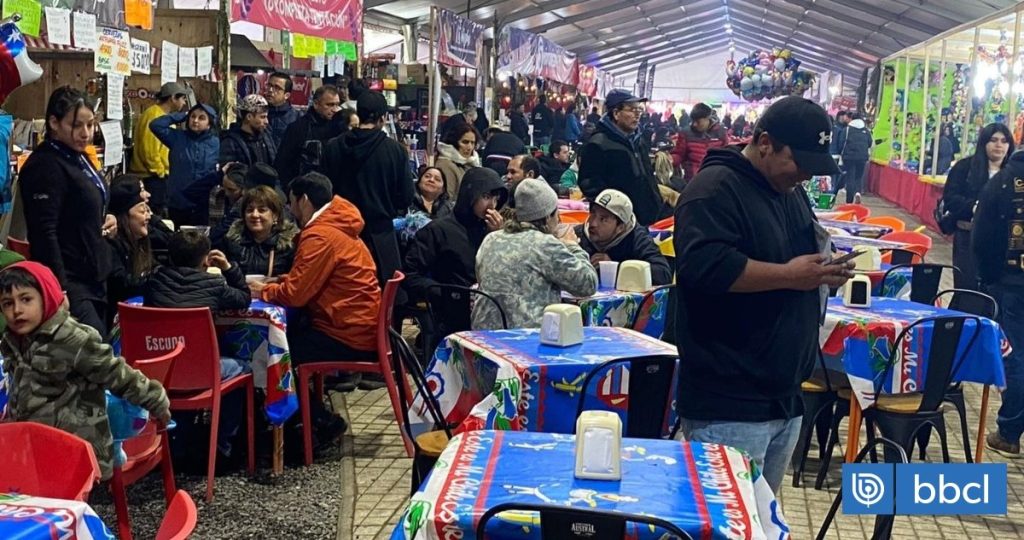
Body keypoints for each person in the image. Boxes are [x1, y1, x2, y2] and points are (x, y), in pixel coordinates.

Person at [672, 96, 853, 494]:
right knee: (729, 522)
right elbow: (706, 268)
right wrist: (790, 276)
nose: (804, 175)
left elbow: (798, 253)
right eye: (799, 163)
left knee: (763, 520)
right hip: (729, 400)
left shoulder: (788, 190)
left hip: (785, 396)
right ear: (766, 142)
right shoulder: (713, 191)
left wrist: (825, 272)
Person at [0, 261, 170, 480]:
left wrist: (156, 400)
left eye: (26, 299)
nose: (17, 310)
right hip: (34, 446)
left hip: (73, 448)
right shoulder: (13, 341)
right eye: (7, 303)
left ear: (46, 297)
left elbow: (117, 373)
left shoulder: (72, 338)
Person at [250, 173, 381, 402]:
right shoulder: (337, 224)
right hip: (359, 325)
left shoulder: (321, 235)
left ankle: (312, 423)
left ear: (304, 200)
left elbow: (295, 296)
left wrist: (260, 290)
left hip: (346, 334)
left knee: (271, 352)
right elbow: (308, 280)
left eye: (291, 202)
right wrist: (281, 280)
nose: (291, 209)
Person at [20, 86, 113, 336]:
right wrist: (58, 290)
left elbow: (83, 204)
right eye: (76, 125)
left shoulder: (77, 155)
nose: (85, 133)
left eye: (91, 125)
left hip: (94, 272)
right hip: (70, 280)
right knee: (94, 355)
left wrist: (103, 217)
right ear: (54, 122)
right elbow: (44, 233)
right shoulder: (45, 165)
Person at [321, 91, 414, 295]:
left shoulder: (333, 147)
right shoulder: (395, 150)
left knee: (344, 297)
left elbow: (325, 192)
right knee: (384, 301)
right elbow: (406, 196)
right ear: (383, 118)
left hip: (340, 235)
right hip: (381, 238)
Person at [472, 179, 597, 329]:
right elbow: (588, 284)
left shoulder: (491, 238)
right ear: (548, 216)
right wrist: (573, 246)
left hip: (483, 338)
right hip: (525, 339)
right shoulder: (545, 244)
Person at [404, 168, 507, 351]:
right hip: (452, 314)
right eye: (485, 197)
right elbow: (410, 274)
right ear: (470, 194)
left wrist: (498, 238)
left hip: (490, 311)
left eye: (496, 199)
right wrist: (446, 294)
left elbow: (505, 271)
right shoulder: (438, 230)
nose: (492, 205)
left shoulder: (491, 230)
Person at [973, 147, 1024, 457]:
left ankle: (1009, 431)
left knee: (1015, 355)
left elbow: (982, 236)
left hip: (1010, 282)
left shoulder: (1004, 181)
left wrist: (987, 277)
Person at [940, 123, 1013, 289]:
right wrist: (975, 207)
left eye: (1004, 141)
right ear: (984, 143)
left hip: (1002, 242)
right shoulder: (965, 167)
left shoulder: (1013, 173)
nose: (999, 145)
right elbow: (950, 197)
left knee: (995, 291)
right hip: (968, 236)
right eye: (993, 140)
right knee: (967, 288)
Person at [578, 89, 665, 226]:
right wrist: (614, 213)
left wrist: (656, 202)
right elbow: (589, 184)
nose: (637, 115)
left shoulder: (639, 141)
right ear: (616, 113)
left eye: (639, 110)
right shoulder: (599, 144)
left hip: (644, 218)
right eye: (631, 110)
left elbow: (648, 176)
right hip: (617, 224)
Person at [144, 230, 251, 316]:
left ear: (170, 258)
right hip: (199, 343)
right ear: (206, 260)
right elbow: (245, 298)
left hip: (158, 342)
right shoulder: (216, 285)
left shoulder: (154, 281)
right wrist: (228, 268)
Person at [575, 189, 671, 285]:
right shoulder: (576, 235)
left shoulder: (637, 239)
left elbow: (663, 274)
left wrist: (616, 267)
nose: (593, 223)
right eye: (593, 213)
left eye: (603, 219)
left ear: (620, 227)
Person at [149, 102, 221, 227]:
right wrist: (182, 115)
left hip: (203, 203)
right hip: (178, 201)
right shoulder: (177, 137)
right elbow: (155, 125)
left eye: (202, 118)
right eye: (193, 116)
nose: (195, 121)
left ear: (210, 123)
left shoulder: (216, 143)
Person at [130, 82, 188, 215]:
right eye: (183, 98)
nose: (184, 103)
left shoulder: (160, 115)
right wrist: (160, 172)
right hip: (152, 177)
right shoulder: (155, 115)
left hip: (158, 176)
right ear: (173, 98)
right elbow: (150, 151)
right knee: (154, 214)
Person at [216, 185, 299, 277]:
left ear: (275, 215)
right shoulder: (230, 241)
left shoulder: (290, 245)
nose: (255, 215)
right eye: (250, 210)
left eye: (262, 210)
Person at [274, 85, 343, 185]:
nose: (334, 109)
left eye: (337, 105)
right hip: (304, 188)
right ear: (316, 104)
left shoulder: (340, 128)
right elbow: (283, 163)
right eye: (329, 105)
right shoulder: (299, 128)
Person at [106, 180, 154, 320]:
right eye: (142, 211)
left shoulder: (139, 244)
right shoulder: (111, 247)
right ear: (125, 217)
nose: (149, 216)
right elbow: (122, 284)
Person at [672, 102, 727, 181]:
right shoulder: (686, 133)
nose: (694, 124)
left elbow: (726, 155)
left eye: (698, 122)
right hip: (692, 181)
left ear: (707, 118)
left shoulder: (720, 132)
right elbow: (679, 154)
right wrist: (670, 160)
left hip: (715, 180)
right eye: (693, 121)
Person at [220, 94, 276, 169]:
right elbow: (229, 175)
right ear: (249, 117)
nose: (266, 122)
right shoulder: (230, 143)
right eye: (262, 117)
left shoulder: (266, 137)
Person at [435, 123, 481, 201]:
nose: (469, 147)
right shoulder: (445, 165)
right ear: (454, 142)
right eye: (465, 142)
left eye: (472, 143)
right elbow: (447, 200)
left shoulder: (472, 163)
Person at [834, 113, 873, 204]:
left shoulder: (847, 129)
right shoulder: (866, 130)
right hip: (863, 157)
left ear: (852, 119)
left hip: (849, 157)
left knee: (850, 177)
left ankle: (849, 200)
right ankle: (858, 193)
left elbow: (841, 143)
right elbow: (870, 143)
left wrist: (841, 154)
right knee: (859, 176)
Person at [264, 72, 301, 151]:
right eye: (269, 85)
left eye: (277, 88)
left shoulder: (296, 118)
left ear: (286, 95)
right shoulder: (258, 113)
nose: (270, 90)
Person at [502, 154, 543, 222]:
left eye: (513, 172)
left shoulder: (543, 199)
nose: (508, 176)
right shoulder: (504, 190)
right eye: (508, 172)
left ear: (530, 174)